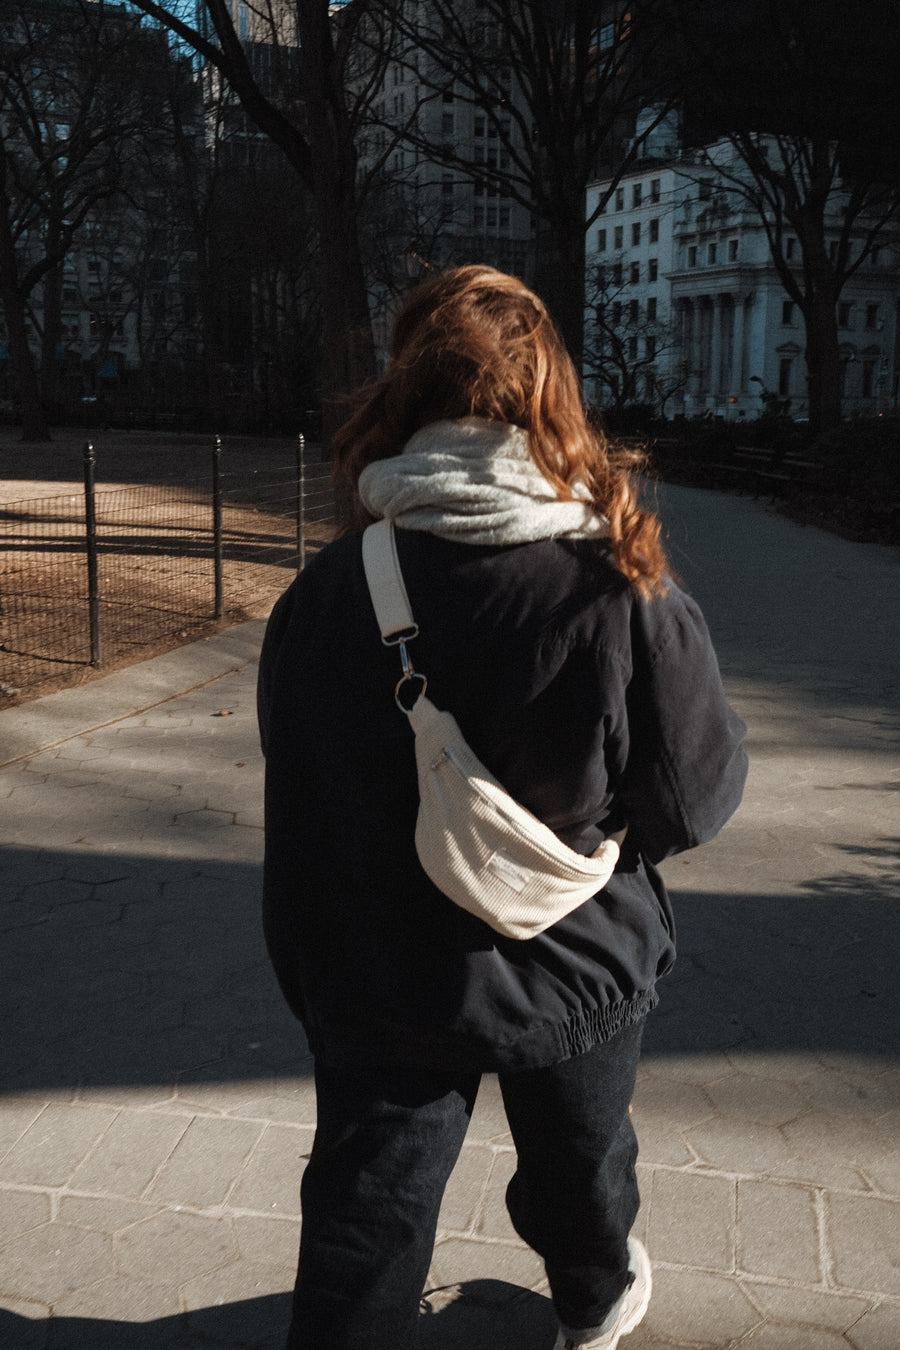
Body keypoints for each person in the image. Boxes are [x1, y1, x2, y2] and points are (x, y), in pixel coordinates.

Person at [257, 266, 748, 1350]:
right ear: (552, 399)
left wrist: (316, 966)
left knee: (364, 1211)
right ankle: (592, 1305)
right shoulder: (618, 584)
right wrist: (596, 839)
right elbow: (695, 797)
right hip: (570, 957)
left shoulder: (330, 589)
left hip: (379, 971)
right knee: (581, 1170)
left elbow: (295, 789)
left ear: (402, 398)